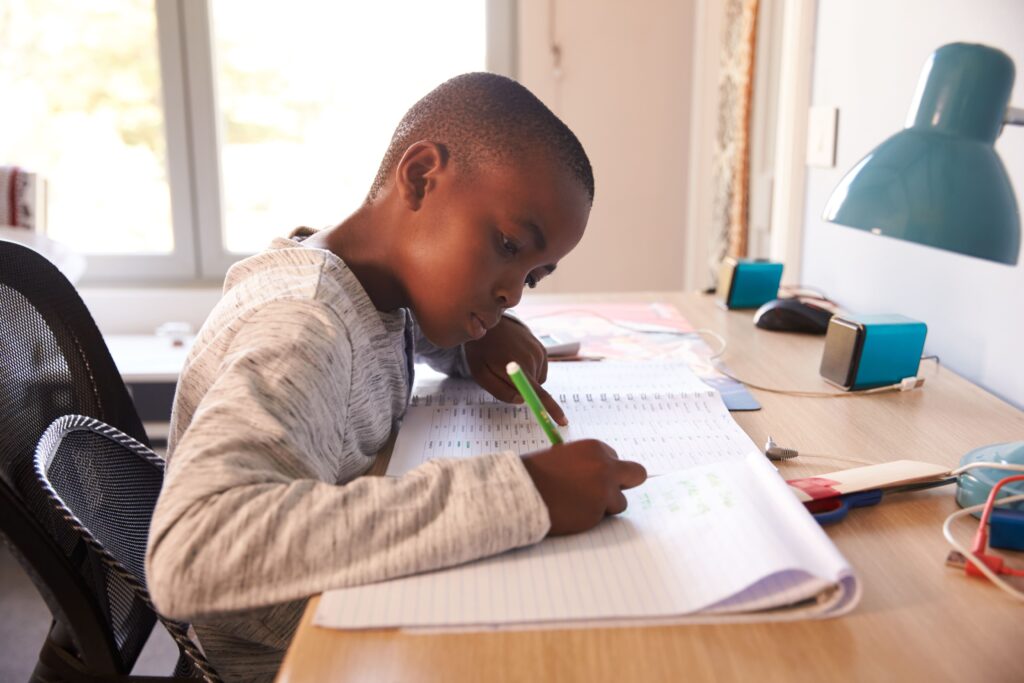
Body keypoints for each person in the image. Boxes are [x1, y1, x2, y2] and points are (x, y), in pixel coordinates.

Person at [146, 72, 647, 682]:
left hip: (355, 609)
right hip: (301, 657)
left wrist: (472, 344)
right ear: (421, 178)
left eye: (533, 277)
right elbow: (193, 551)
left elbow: (385, 337)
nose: (512, 293)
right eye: (509, 245)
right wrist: (524, 493)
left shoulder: (369, 286)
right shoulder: (302, 327)